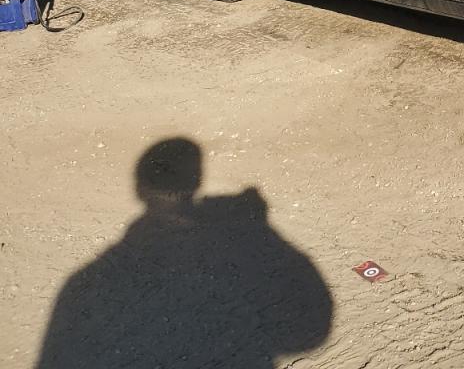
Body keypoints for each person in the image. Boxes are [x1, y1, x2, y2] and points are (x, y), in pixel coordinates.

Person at [35, 137, 332, 368]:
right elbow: (312, 327)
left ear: (140, 191)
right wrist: (259, 232)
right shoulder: (241, 254)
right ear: (196, 182)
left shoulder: (87, 286)